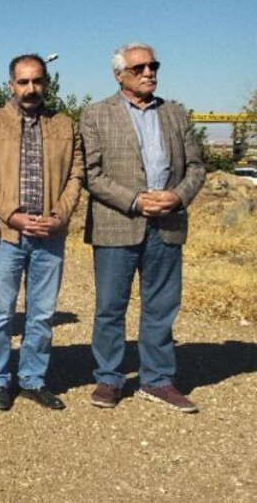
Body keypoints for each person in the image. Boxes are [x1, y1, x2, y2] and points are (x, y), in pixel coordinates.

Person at [81, 43, 205, 413]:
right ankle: (109, 377)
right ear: (119, 75)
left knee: (161, 306)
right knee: (110, 307)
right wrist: (135, 200)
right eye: (139, 68)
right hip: (117, 223)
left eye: (153, 66)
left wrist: (177, 197)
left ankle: (158, 379)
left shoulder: (175, 113)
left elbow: (196, 167)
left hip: (166, 223)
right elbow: (91, 173)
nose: (149, 73)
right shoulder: (95, 114)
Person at [0, 54, 84, 411]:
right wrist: (12, 216)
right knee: (1, 313)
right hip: (6, 234)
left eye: (37, 80)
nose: (31, 88)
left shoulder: (65, 125)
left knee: (42, 313)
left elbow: (76, 175)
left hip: (50, 233)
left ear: (46, 83)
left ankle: (33, 379)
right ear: (11, 85)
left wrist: (59, 217)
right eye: (23, 82)